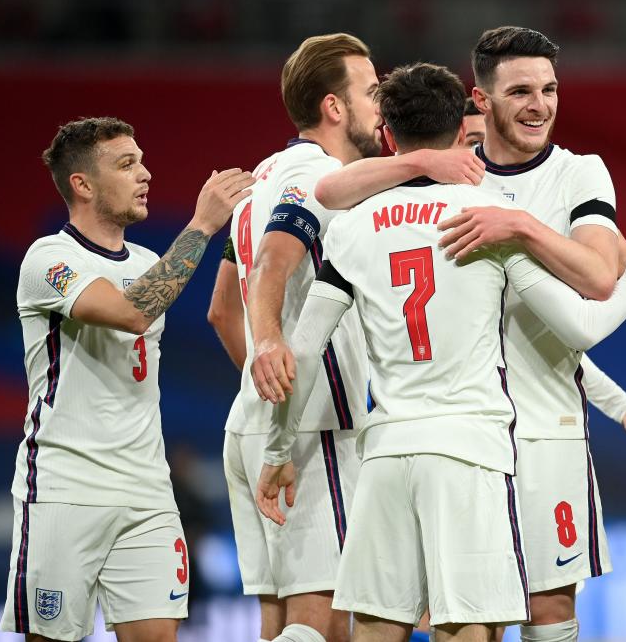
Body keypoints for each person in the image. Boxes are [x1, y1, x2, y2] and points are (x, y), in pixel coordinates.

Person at [253, 62, 626, 642]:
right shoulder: (487, 225)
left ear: (389, 137)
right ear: (460, 135)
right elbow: (581, 327)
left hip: (386, 453)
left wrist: (277, 450)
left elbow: (301, 351)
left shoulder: (350, 228)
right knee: (466, 625)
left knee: (376, 628)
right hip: (469, 454)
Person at [209, 33, 496, 642]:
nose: (380, 107)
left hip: (258, 419)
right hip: (315, 425)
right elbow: (272, 264)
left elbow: (219, 310)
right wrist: (274, 356)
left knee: (279, 620)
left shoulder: (264, 174)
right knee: (326, 623)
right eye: (370, 93)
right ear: (334, 108)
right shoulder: (317, 173)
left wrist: (265, 380)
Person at [1, 116, 252, 641]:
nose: (145, 174)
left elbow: (146, 298)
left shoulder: (146, 261)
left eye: (141, 160)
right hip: (65, 488)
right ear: (83, 184)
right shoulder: (49, 260)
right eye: (126, 164)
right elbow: (130, 313)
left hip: (147, 493)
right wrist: (202, 225)